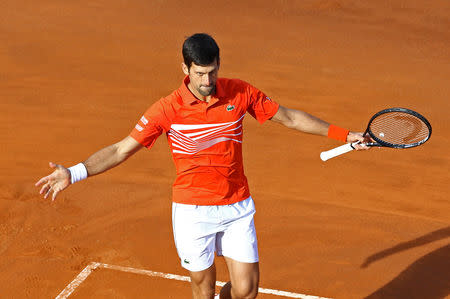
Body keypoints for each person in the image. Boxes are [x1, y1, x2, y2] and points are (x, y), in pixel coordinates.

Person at [36, 33, 369, 299]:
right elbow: (122, 150)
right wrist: (75, 172)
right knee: (203, 289)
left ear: (218, 65)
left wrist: (344, 135)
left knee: (246, 290)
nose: (207, 81)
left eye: (212, 72)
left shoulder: (239, 93)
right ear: (185, 69)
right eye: (199, 74)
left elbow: (290, 117)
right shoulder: (167, 109)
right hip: (193, 211)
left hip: (237, 204)